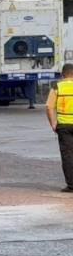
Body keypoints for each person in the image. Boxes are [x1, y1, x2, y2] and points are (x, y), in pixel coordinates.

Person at [47, 63, 73, 192]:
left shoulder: (57, 86)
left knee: (68, 155)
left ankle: (71, 185)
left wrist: (53, 123)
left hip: (64, 126)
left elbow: (49, 107)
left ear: (63, 74)